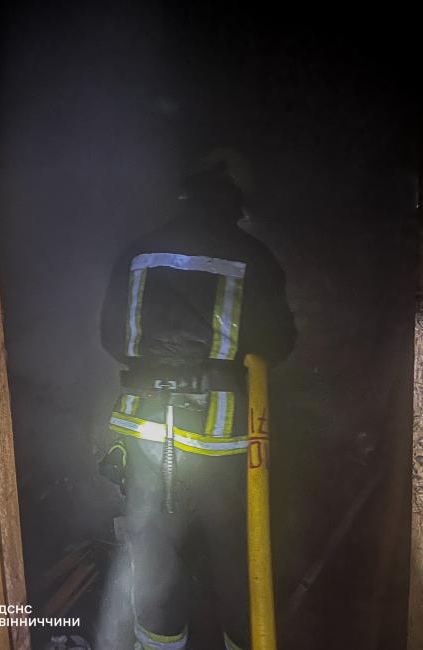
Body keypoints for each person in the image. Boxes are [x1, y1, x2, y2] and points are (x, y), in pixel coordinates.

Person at [99, 150, 296, 649]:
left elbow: (111, 338)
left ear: (183, 193)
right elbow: (277, 344)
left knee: (155, 555)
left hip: (144, 429)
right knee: (238, 557)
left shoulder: (137, 252)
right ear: (236, 201)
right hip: (221, 436)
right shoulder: (253, 256)